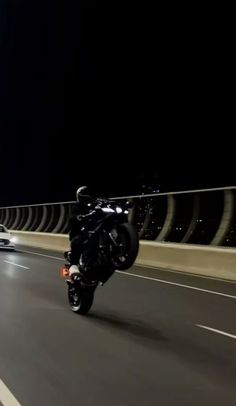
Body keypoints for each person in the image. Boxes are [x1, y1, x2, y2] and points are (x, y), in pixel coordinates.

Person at [68, 186, 97, 277]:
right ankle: (73, 265)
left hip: (93, 233)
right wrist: (78, 217)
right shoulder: (76, 206)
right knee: (78, 240)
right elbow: (72, 217)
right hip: (79, 233)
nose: (87, 197)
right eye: (85, 194)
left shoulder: (95, 207)